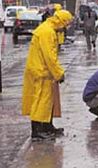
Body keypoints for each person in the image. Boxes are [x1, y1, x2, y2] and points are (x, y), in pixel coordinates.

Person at [21, 10, 73, 141]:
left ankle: (47, 126)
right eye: (65, 25)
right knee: (41, 100)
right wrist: (59, 73)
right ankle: (37, 131)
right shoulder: (47, 32)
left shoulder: (47, 29)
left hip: (43, 70)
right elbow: (49, 56)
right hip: (40, 71)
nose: (64, 28)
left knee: (48, 100)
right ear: (62, 21)